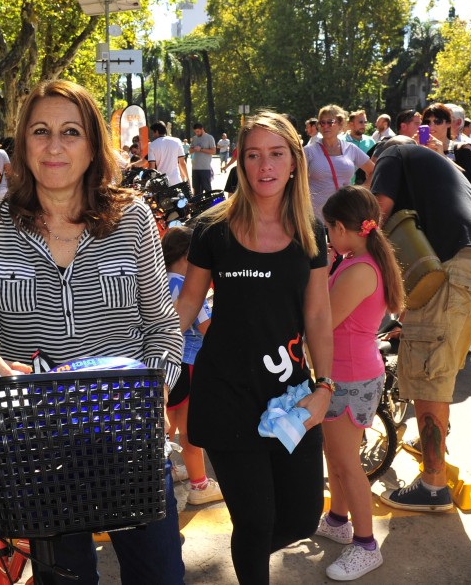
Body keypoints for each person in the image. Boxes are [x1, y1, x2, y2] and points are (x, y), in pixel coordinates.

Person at [0, 79, 184, 584]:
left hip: (129, 436)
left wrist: (155, 391)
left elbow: (163, 327)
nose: (55, 146)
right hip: (38, 445)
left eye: (70, 132)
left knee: (159, 575)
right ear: (22, 145)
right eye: (41, 132)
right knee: (64, 581)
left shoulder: (133, 220)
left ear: (94, 144)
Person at [174, 111, 333, 585]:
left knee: (303, 517)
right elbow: (187, 303)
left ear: (293, 161)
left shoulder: (310, 229)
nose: (265, 166)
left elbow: (319, 315)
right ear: (240, 163)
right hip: (226, 397)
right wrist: (152, 365)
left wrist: (325, 386)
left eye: (276, 154)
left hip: (291, 396)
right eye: (253, 155)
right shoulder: (213, 228)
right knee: (256, 521)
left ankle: (249, 556)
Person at [370, 137, 471, 511]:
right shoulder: (440, 166)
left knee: (429, 373)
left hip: (454, 264)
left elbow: (376, 214)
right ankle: (435, 456)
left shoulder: (393, 153)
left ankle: (433, 486)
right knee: (439, 368)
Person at [315, 185, 404, 581]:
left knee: (349, 464)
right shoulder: (362, 260)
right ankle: (338, 519)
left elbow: (324, 322)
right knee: (336, 455)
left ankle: (367, 544)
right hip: (349, 372)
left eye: (328, 230)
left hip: (349, 376)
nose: (328, 238)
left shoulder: (360, 268)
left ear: (340, 227)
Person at [160, 226, 223, 506]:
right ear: (189, 255)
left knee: (168, 424)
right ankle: (199, 485)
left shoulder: (160, 281)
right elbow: (209, 329)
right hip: (188, 364)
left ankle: (170, 469)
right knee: (190, 430)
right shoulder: (189, 287)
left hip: (164, 365)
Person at [305, 104, 374, 223]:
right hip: (315, 219)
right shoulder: (309, 151)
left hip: (343, 216)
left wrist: (359, 191)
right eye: (322, 123)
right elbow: (298, 182)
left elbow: (374, 171)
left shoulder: (350, 149)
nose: (325, 126)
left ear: (341, 124)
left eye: (330, 122)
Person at [146, 121, 188, 186]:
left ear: (157, 131)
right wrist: (188, 179)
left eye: (153, 132)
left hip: (161, 182)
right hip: (176, 181)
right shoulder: (177, 141)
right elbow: (182, 163)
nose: (153, 135)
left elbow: (152, 167)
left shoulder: (152, 145)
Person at [189, 123, 217, 195]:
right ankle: (198, 205)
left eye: (198, 131)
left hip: (205, 168)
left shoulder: (209, 138)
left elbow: (213, 151)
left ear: (202, 129)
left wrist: (201, 149)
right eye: (195, 132)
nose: (196, 133)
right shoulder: (194, 138)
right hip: (195, 168)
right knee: (196, 191)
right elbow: (190, 151)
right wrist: (194, 149)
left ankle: (208, 205)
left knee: (207, 190)